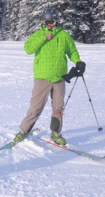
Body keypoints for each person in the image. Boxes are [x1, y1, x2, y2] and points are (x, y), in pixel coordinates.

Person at [13, 8, 86, 146]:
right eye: (46, 22)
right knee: (36, 107)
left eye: (52, 22)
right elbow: (28, 49)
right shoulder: (38, 34)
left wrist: (78, 62)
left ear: (57, 21)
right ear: (42, 22)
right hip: (42, 77)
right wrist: (43, 37)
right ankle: (23, 131)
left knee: (58, 108)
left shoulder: (64, 35)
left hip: (59, 77)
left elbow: (72, 51)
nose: (49, 25)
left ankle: (55, 133)